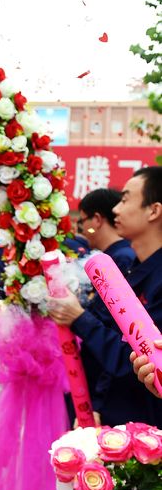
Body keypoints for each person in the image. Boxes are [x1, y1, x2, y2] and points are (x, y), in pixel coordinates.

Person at [49, 167, 162, 428]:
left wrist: (79, 318)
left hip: (144, 425)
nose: (116, 210)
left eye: (125, 200)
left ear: (153, 211)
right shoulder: (133, 268)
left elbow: (132, 359)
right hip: (114, 415)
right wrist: (97, 406)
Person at [78, 187, 136, 272]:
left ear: (97, 219)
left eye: (82, 221)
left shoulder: (122, 258)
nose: (83, 230)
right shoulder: (119, 254)